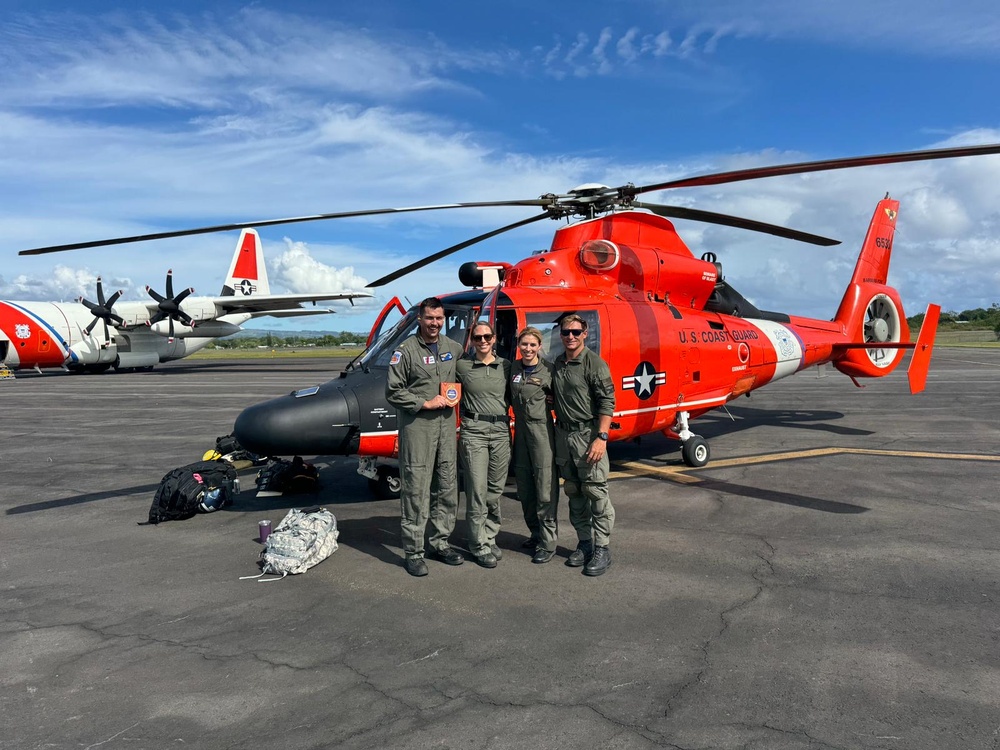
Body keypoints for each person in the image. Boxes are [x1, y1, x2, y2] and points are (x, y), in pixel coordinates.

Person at [385, 297, 466, 577]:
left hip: (446, 428)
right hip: (418, 428)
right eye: (430, 318)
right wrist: (424, 403)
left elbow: (468, 380)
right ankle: (414, 552)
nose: (434, 323)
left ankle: (439, 543)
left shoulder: (453, 348)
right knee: (416, 489)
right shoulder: (406, 351)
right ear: (420, 318)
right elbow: (394, 391)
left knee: (446, 487)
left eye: (439, 319)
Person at [552, 314, 616, 576]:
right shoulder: (558, 363)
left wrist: (601, 438)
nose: (570, 336)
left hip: (587, 436)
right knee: (575, 493)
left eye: (576, 332)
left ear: (585, 333)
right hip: (564, 437)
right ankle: (585, 542)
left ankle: (602, 548)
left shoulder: (594, 364)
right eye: (566, 332)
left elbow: (607, 403)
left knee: (596, 493)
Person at [456, 322, 511, 568]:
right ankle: (478, 544)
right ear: (472, 340)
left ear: (494, 338)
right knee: (477, 490)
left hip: (500, 431)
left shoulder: (505, 367)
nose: (482, 341)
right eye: (478, 337)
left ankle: (489, 535)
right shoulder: (463, 366)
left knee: (495, 490)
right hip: (474, 431)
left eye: (487, 336)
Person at [509, 326, 560, 564]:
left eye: (532, 345)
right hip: (520, 433)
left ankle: (548, 543)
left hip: (542, 433)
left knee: (544, 486)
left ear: (539, 347)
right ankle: (535, 532)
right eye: (524, 344)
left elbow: (561, 399)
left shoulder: (549, 370)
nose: (527, 349)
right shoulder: (514, 369)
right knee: (525, 486)